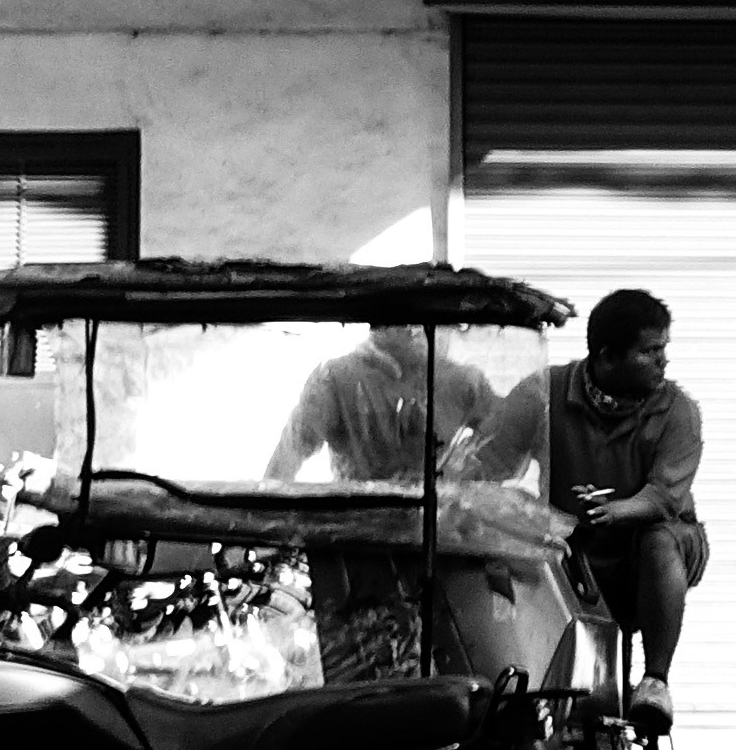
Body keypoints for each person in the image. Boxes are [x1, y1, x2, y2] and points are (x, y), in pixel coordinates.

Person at [461, 288, 704, 692]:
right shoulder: (542, 393)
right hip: (575, 548)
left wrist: (617, 511)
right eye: (649, 351)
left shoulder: (678, 410)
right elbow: (488, 463)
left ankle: (656, 682)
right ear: (607, 356)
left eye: (663, 348)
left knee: (658, 541)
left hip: (657, 549)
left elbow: (664, 498)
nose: (663, 360)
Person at [267, 326, 497, 487]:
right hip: (359, 535)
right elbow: (291, 450)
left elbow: (503, 440)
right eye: (402, 322)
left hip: (436, 531)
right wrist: (261, 520)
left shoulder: (463, 382)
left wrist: (462, 470)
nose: (412, 330)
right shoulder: (335, 379)